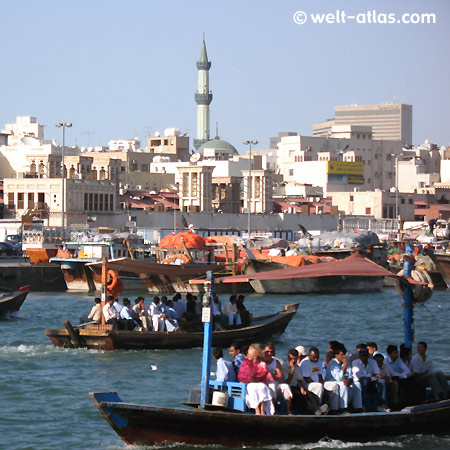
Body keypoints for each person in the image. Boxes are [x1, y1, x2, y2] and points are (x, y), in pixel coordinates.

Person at [282, 348, 328, 415]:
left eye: (295, 359)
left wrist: (302, 388)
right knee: (299, 397)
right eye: (291, 359)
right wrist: (292, 370)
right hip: (289, 387)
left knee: (310, 395)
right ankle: (313, 411)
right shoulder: (284, 367)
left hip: (296, 386)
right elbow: (286, 382)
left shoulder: (297, 367)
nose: (293, 361)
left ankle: (318, 408)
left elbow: (299, 380)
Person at [238, 344, 275, 415]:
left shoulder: (262, 363)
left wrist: (255, 377)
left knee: (262, 387)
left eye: (249, 354)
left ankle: (262, 409)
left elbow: (264, 374)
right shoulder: (246, 363)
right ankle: (257, 409)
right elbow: (243, 376)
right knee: (253, 388)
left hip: (260, 382)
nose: (248, 355)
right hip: (249, 383)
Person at [300, 347, 339, 413]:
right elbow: (307, 379)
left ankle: (334, 409)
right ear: (309, 356)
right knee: (318, 386)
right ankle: (318, 408)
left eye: (317, 357)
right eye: (314, 358)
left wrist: (323, 384)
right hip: (307, 384)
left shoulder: (319, 362)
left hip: (318, 383)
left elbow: (320, 375)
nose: (316, 359)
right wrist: (320, 385)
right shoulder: (305, 363)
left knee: (334, 385)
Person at [325, 346, 363, 413]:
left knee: (357, 384)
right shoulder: (332, 364)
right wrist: (345, 365)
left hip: (345, 381)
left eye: (344, 354)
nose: (344, 356)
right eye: (342, 355)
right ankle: (343, 408)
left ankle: (358, 407)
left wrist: (349, 380)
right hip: (333, 382)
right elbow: (338, 377)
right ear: (336, 355)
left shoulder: (347, 363)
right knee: (343, 385)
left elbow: (350, 375)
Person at [261, 342, 293, 414]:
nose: (269, 353)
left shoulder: (276, 362)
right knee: (273, 386)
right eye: (267, 351)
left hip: (276, 383)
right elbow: (263, 376)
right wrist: (271, 375)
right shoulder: (261, 362)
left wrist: (269, 375)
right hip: (267, 385)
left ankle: (288, 410)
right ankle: (273, 410)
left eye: (271, 352)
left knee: (286, 386)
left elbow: (279, 377)